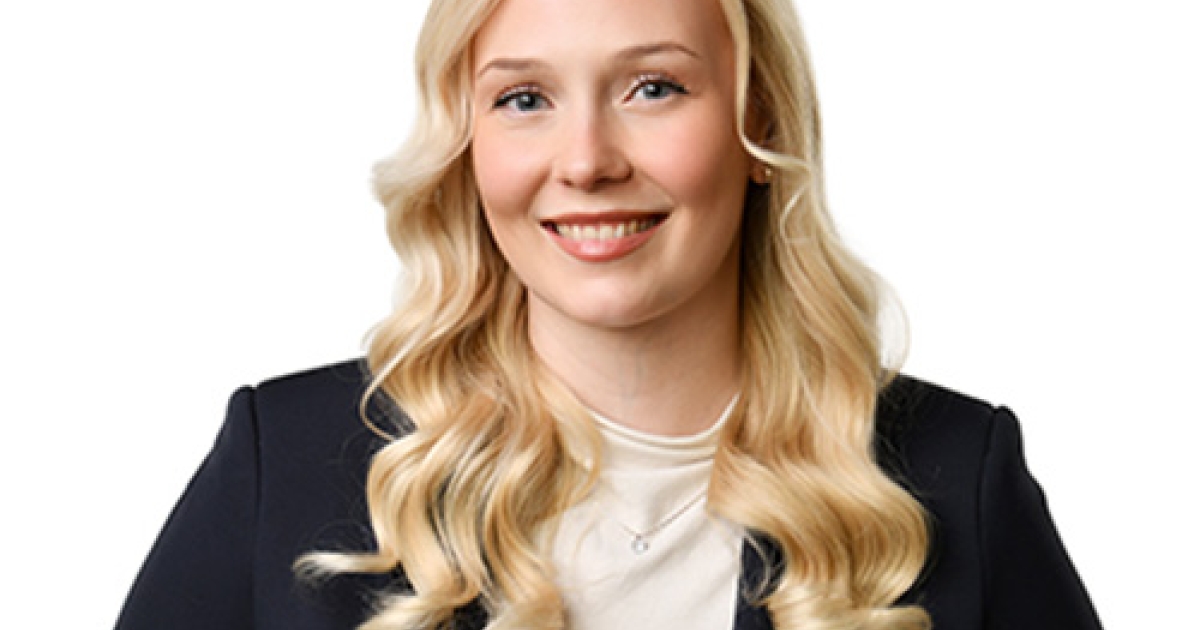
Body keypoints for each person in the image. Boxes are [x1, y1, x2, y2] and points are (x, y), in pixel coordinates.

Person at [115, 0, 1103, 628]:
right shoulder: (282, 462)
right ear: (465, 144)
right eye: (523, 99)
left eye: (653, 87)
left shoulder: (959, 476)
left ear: (759, 124)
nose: (586, 160)